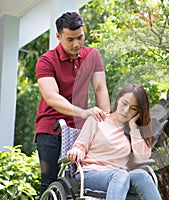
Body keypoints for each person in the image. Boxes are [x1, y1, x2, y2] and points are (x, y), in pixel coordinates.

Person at [35, 11, 111, 196]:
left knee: (80, 181)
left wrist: (106, 120)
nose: (76, 44)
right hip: (49, 130)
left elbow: (101, 89)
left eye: (80, 37)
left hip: (79, 131)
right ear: (58, 36)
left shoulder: (92, 56)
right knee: (50, 181)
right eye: (70, 39)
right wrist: (83, 113)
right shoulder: (46, 61)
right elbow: (52, 97)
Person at [67, 84, 162, 200]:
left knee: (142, 175)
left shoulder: (134, 132)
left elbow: (142, 160)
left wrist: (134, 129)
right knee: (120, 174)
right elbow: (81, 145)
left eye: (133, 108)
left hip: (122, 180)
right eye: (124, 104)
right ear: (118, 100)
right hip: (91, 174)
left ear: (139, 112)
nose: (126, 111)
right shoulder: (97, 120)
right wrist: (77, 150)